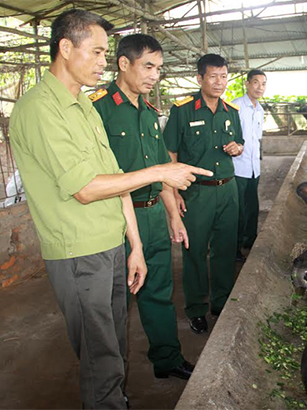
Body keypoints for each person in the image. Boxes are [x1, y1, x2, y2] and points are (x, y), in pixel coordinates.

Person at [9, 10, 211, 408]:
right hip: (78, 250)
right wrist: (160, 171)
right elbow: (86, 188)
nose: (104, 61)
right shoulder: (41, 109)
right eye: (98, 52)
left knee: (114, 344)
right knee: (101, 355)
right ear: (66, 48)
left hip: (114, 242)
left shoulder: (83, 107)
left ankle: (118, 395)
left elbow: (115, 176)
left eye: (106, 52)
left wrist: (134, 244)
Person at [92, 34, 194, 380]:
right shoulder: (98, 109)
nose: (155, 76)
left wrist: (171, 214)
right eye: (148, 66)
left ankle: (167, 359)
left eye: (159, 69)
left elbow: (160, 168)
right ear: (124, 64)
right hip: (116, 218)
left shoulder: (150, 113)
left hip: (151, 213)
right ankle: (111, 380)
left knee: (160, 292)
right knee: (115, 304)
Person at [164, 54, 244, 334]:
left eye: (223, 76)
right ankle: (196, 308)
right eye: (213, 76)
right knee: (195, 251)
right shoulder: (183, 110)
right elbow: (170, 152)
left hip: (228, 189)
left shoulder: (231, 111)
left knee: (225, 250)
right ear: (199, 79)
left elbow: (240, 141)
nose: (219, 82)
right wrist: (173, 193)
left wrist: (238, 148)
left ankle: (221, 302)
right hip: (197, 193)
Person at [232, 69, 267, 261]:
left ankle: (249, 241)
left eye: (263, 83)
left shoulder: (260, 109)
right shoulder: (236, 107)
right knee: (238, 210)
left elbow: (257, 139)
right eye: (255, 82)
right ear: (246, 84)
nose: (259, 87)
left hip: (254, 167)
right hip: (238, 167)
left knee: (253, 207)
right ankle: (235, 247)